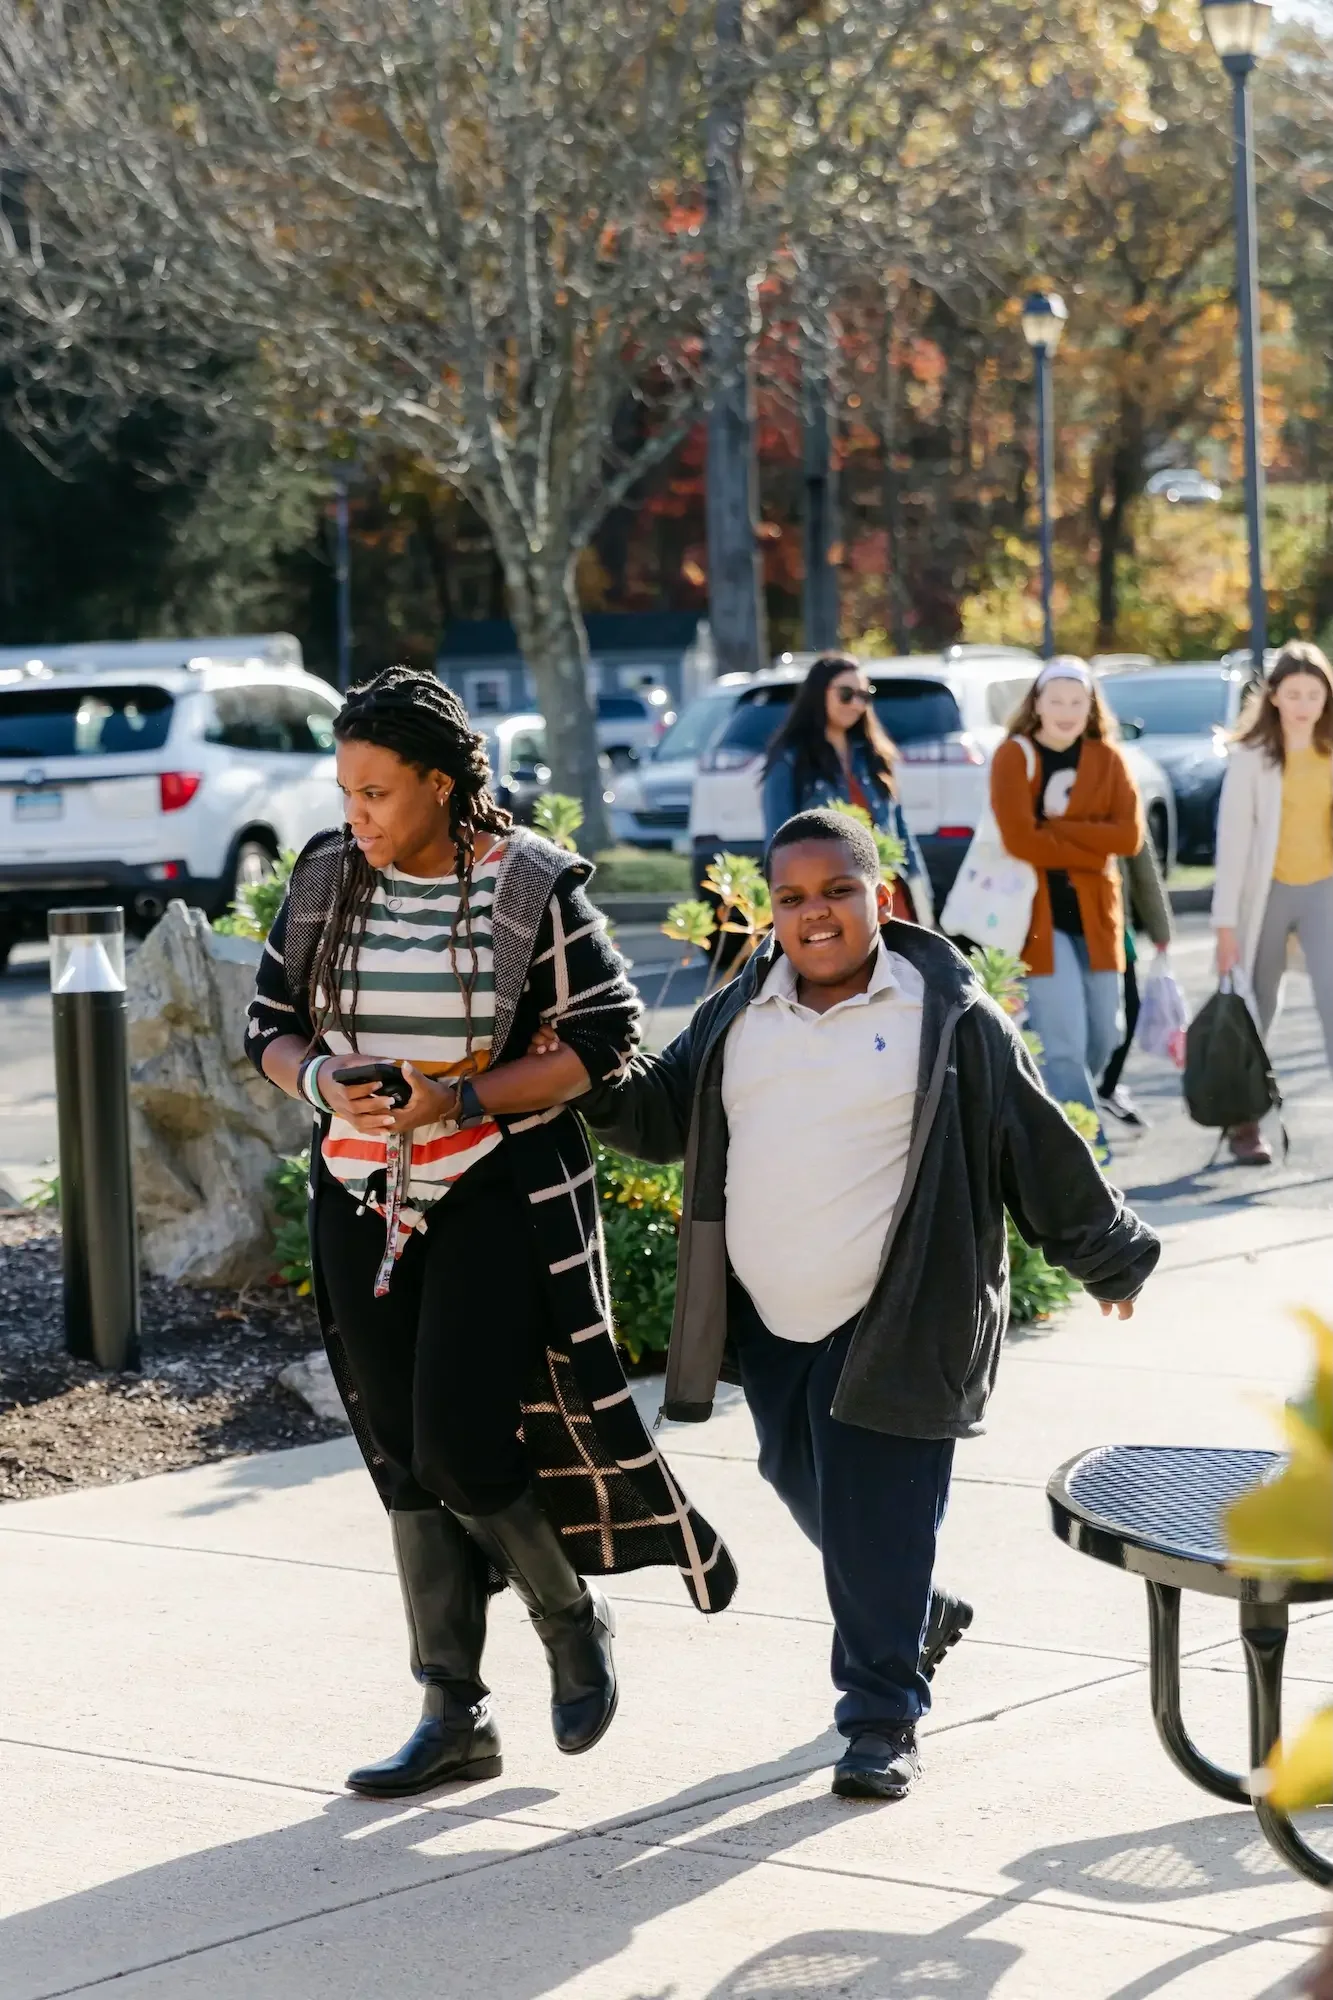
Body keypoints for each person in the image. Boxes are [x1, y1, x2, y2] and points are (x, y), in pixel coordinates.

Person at [544, 807, 1158, 1802]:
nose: (814, 912)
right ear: (770, 911)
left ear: (879, 897)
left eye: (837, 890)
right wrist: (584, 1076)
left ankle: (879, 1719)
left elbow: (1030, 1139)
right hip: (775, 1318)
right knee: (798, 1476)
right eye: (791, 896)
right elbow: (661, 1116)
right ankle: (912, 1610)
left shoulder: (948, 1017)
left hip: (902, 1315)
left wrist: (1108, 1252)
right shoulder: (740, 1013)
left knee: (876, 1519)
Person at [245, 665, 737, 1800]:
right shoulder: (327, 879)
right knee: (401, 1453)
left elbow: (606, 1032)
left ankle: (572, 1616)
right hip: (357, 1194)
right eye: (346, 792)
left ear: (437, 783)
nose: (355, 816)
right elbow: (268, 1022)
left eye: (376, 793)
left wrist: (461, 1099)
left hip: (490, 1189)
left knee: (463, 1440)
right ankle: (451, 1709)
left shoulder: (525, 884)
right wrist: (323, 1077)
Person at [990, 657, 1143, 1120]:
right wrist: (1091, 840)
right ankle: (1083, 1149)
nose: (1066, 710)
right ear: (1036, 703)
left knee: (1105, 1034)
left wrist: (1056, 831)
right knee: (1064, 1044)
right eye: (1056, 700)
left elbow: (1128, 838)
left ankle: (1039, 1101)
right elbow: (1020, 840)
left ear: (1092, 706)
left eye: (1077, 701)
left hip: (1096, 915)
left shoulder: (1108, 758)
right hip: (1038, 918)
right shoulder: (1014, 755)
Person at [1213, 640, 1333, 1165]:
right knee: (1256, 1006)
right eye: (1294, 693)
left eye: (1315, 693)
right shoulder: (1253, 759)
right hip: (1267, 895)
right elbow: (1233, 844)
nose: (1305, 703)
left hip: (1324, 892)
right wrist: (1223, 928)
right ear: (1276, 697)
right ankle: (1245, 1123)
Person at [762, 652, 935, 924]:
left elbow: (902, 834)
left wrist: (921, 896)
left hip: (888, 896)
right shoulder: (791, 758)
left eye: (864, 696)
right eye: (846, 694)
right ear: (819, 694)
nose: (856, 704)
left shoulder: (873, 754)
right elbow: (777, 841)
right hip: (830, 900)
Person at [1097, 838, 1174, 1132]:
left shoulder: (1123, 794)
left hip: (1114, 921)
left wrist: (1160, 928)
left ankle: (1106, 1088)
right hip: (1055, 924)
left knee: (1128, 1011)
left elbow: (1140, 861)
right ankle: (1088, 1092)